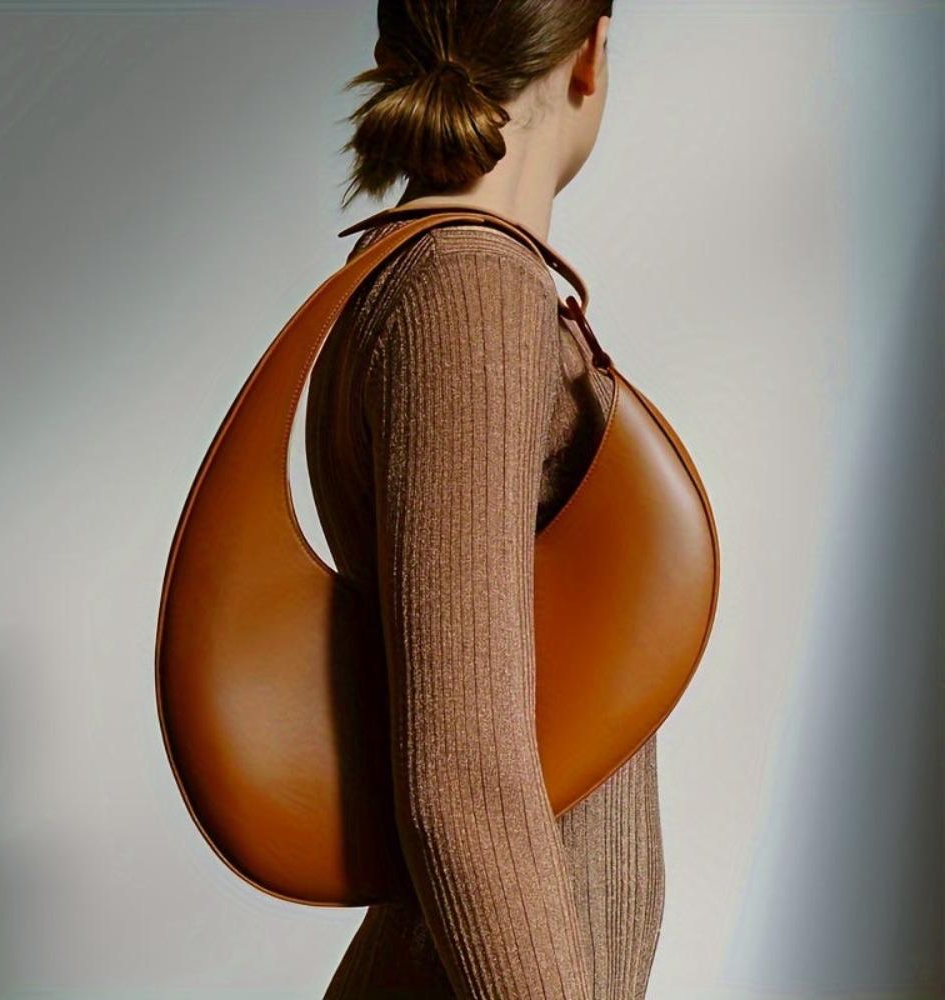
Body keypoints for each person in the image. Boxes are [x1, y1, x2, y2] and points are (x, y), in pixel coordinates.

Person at [305, 3, 664, 997]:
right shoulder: (469, 290)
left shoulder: (429, 274)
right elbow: (463, 781)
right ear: (591, 53)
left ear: (391, 49)